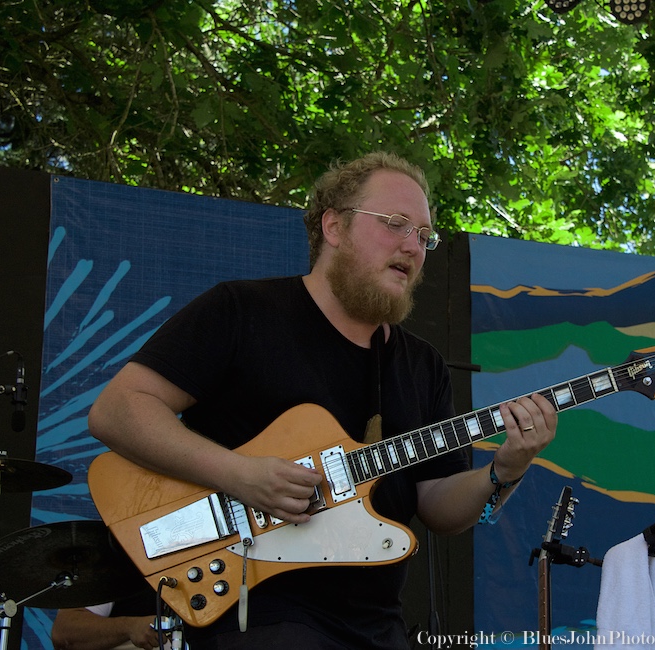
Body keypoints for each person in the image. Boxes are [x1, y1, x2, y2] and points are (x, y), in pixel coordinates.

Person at [88, 151, 557, 649]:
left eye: (424, 235)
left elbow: (437, 506)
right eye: (396, 224)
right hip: (253, 613)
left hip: (375, 622)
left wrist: (504, 468)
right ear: (334, 226)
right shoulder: (241, 310)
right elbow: (117, 409)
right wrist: (238, 474)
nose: (414, 246)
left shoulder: (422, 366)